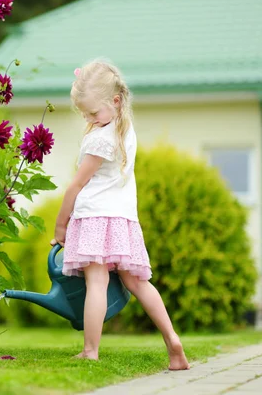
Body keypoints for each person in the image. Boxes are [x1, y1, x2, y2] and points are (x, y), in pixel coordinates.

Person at [50, 60, 190, 370]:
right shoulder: (125, 131)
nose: (89, 118)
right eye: (85, 114)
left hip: (96, 218)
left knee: (97, 283)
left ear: (115, 101)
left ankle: (90, 350)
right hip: (124, 218)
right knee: (138, 282)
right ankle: (172, 340)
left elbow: (77, 185)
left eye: (93, 112)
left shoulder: (100, 139)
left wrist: (61, 225)